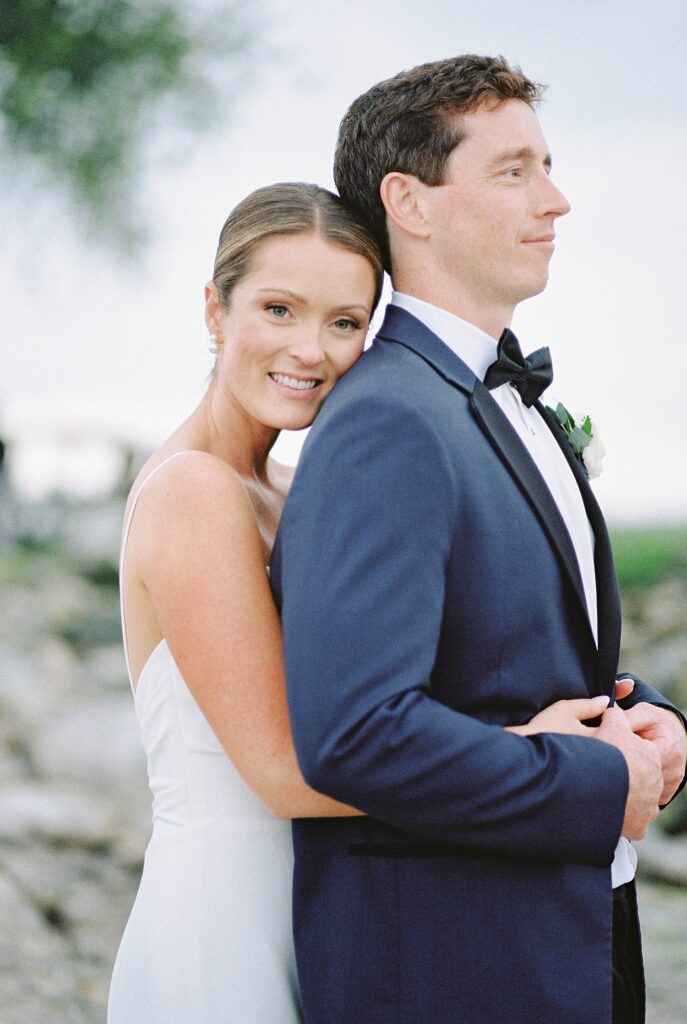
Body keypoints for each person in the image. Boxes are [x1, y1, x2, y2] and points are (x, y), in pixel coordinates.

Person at [270, 56, 687, 1024]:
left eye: (547, 164)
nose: (557, 200)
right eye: (514, 171)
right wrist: (599, 778)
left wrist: (650, 718)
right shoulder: (389, 419)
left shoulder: (493, 400)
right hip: (454, 960)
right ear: (409, 202)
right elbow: (356, 733)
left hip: (573, 923)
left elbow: (520, 652)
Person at [107, 182, 384, 1024]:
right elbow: (283, 774)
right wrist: (525, 758)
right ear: (215, 312)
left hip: (311, 901)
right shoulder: (193, 491)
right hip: (223, 924)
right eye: (278, 308)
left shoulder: (287, 488)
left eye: (344, 322)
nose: (311, 349)